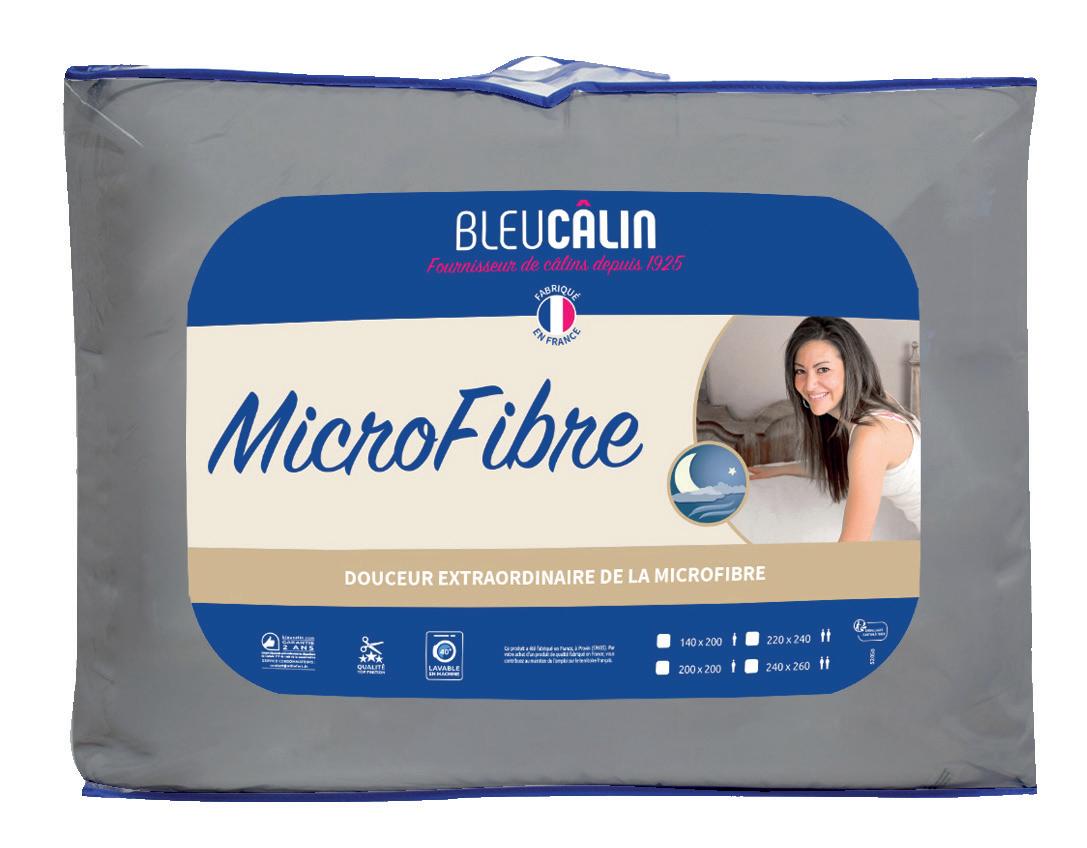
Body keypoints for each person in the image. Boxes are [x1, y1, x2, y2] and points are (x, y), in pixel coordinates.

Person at [748, 317, 919, 541]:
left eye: (823, 369)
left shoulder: (871, 436)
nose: (809, 385)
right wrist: (780, 469)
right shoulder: (879, 401)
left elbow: (852, 547)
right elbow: (850, 467)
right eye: (800, 371)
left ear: (852, 368)